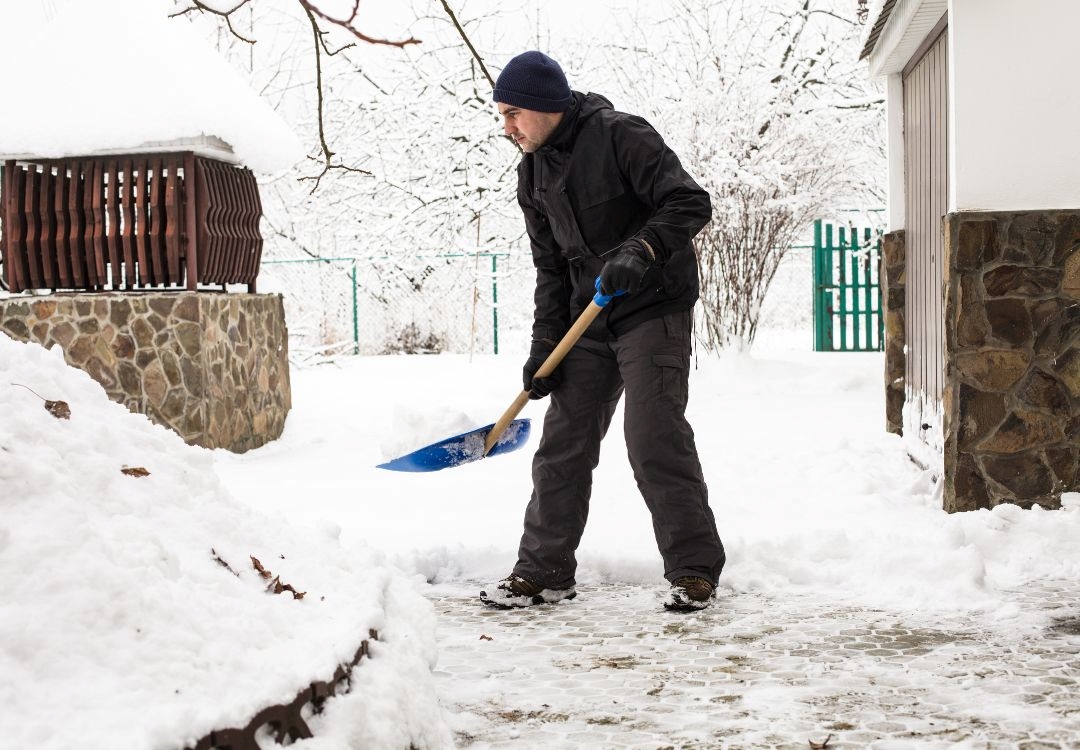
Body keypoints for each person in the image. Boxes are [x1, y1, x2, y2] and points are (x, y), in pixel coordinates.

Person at [479, 51, 725, 613]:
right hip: (586, 319)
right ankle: (543, 572)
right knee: (562, 444)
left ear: (546, 104)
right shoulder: (532, 174)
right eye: (502, 115)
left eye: (513, 113)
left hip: (651, 308)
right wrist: (545, 348)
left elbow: (689, 202)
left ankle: (693, 569)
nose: (507, 127)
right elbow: (550, 269)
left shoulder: (620, 136)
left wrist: (643, 248)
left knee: (652, 434)